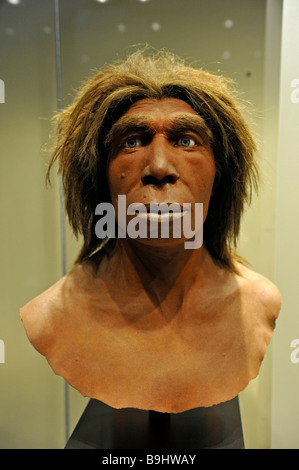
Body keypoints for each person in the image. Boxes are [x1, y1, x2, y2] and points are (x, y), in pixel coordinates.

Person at [20, 49, 281, 413]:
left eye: (187, 140)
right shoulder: (49, 316)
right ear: (99, 178)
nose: (159, 166)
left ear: (220, 176)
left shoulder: (259, 302)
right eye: (132, 141)